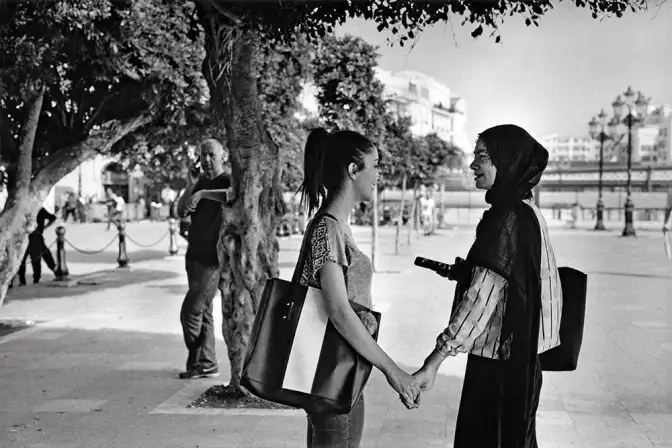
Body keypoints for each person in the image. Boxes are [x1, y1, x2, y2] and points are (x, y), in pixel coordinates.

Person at [410, 124, 562, 448]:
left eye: (482, 157)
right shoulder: (528, 211)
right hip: (523, 361)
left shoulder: (506, 218)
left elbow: (480, 301)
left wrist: (433, 362)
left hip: (500, 369)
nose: (472, 165)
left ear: (506, 163)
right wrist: (468, 272)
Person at [296, 128, 421, 448]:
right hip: (334, 380)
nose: (379, 174)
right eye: (375, 165)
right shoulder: (328, 228)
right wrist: (393, 371)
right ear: (353, 170)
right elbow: (338, 311)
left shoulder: (333, 226)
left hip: (340, 376)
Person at [176, 138, 233, 380]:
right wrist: (192, 186)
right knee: (204, 312)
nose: (206, 160)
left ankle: (199, 357)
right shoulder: (199, 182)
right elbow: (181, 210)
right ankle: (206, 362)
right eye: (203, 155)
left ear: (223, 156)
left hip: (212, 259)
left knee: (191, 311)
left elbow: (233, 196)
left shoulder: (228, 180)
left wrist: (203, 193)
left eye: (211, 154)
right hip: (194, 256)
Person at [16, 207, 57, 286]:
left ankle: (23, 279)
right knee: (38, 257)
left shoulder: (26, 210)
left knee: (25, 258)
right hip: (36, 236)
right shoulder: (40, 209)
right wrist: (44, 227)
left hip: (27, 236)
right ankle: (36, 278)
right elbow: (53, 218)